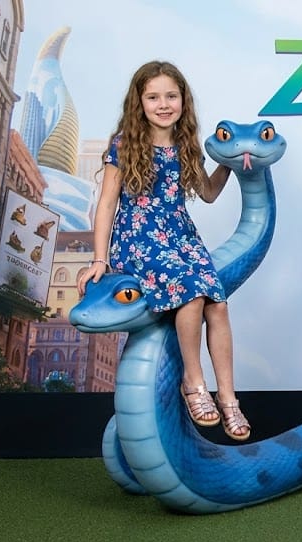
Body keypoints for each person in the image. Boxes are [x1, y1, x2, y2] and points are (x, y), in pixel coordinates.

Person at [76, 60, 250, 442]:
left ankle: (229, 397)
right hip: (139, 238)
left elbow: (207, 193)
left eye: (171, 96)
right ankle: (194, 382)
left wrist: (230, 163)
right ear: (139, 102)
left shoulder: (186, 144)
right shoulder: (124, 144)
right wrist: (99, 259)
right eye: (153, 97)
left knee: (217, 303)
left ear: (183, 101)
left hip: (181, 236)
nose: (163, 104)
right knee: (191, 292)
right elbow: (106, 203)